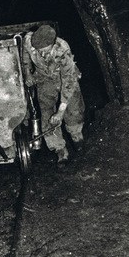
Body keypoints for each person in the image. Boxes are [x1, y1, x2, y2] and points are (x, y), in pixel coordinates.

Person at [22, 24, 85, 165]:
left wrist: (61, 111)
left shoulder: (62, 50)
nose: (42, 54)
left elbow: (69, 81)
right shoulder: (28, 41)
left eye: (45, 51)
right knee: (47, 114)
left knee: (73, 111)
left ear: (53, 44)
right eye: (38, 51)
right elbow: (25, 54)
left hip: (66, 78)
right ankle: (60, 150)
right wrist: (28, 73)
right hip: (44, 78)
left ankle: (77, 139)